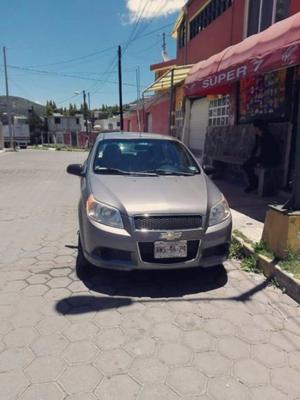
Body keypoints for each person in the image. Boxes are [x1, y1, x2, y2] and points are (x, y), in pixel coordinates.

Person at [243, 119, 280, 193]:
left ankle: (254, 184)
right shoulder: (258, 135)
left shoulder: (267, 137)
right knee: (246, 165)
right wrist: (251, 157)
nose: (253, 129)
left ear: (258, 127)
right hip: (263, 157)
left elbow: (269, 152)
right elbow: (256, 147)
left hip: (271, 159)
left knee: (248, 165)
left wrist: (260, 162)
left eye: (254, 127)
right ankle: (254, 183)